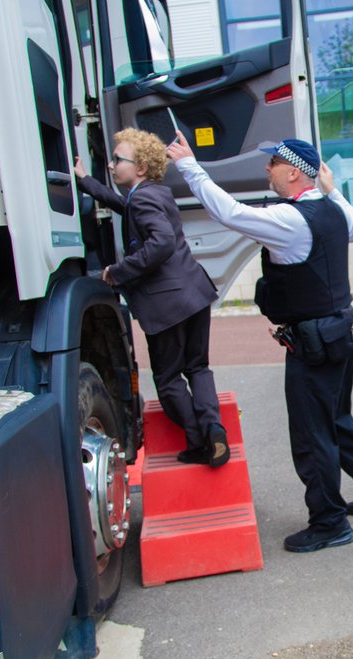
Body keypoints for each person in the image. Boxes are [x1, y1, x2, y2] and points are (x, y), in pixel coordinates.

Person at [165, 132, 353, 553]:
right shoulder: (330, 210)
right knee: (334, 417)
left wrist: (189, 165)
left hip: (315, 341)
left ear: (292, 171)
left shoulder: (290, 220)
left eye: (272, 163)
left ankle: (330, 523)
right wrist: (333, 190)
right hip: (340, 332)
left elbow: (229, 213)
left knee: (312, 435)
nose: (266, 169)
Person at [72, 129, 228, 468]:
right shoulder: (154, 192)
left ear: (140, 167)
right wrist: (86, 181)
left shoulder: (141, 199)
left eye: (117, 160)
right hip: (194, 294)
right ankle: (214, 430)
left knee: (169, 379)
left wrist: (118, 270)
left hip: (167, 304)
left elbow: (160, 243)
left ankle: (198, 440)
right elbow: (123, 206)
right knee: (198, 367)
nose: (111, 166)